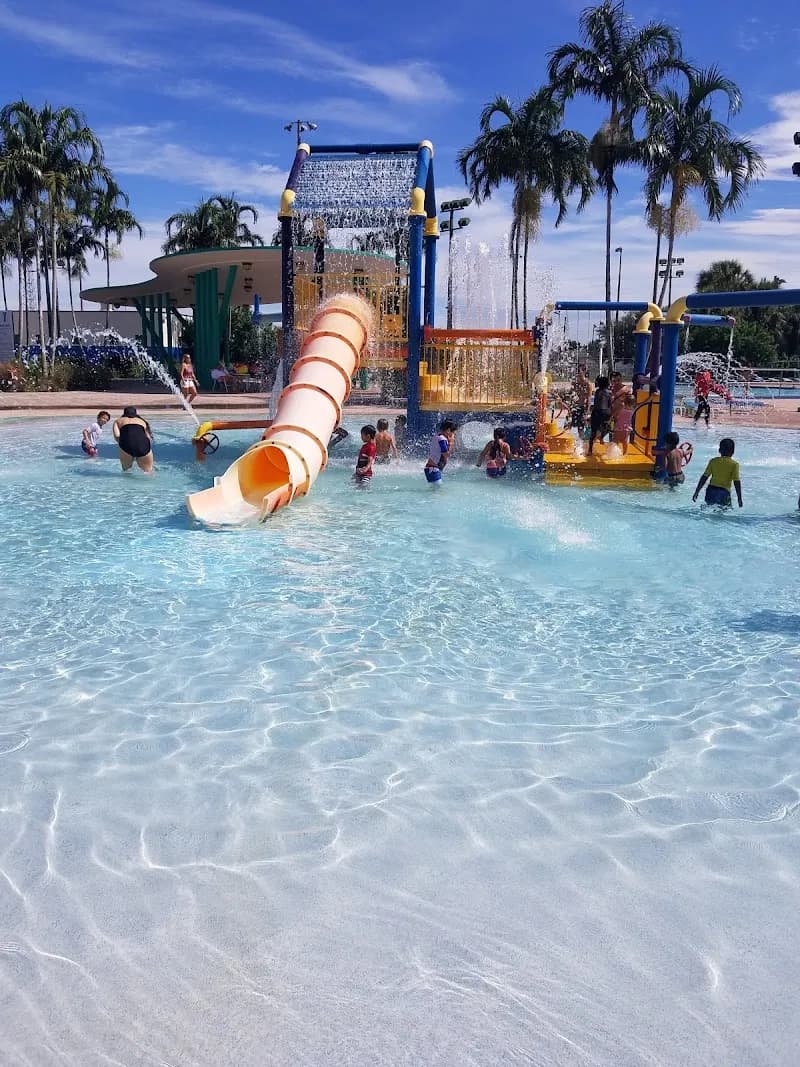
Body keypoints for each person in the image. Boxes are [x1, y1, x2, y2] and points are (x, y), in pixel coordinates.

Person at [692, 437, 743, 508]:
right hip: (724, 492)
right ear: (733, 452)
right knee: (725, 511)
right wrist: (739, 498)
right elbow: (736, 482)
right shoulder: (734, 464)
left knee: (709, 508)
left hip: (711, 490)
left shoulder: (713, 461)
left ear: (719, 450)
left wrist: (697, 491)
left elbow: (704, 477)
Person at [113, 406, 154, 473]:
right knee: (148, 472)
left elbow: (117, 437)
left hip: (126, 446)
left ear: (124, 413)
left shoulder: (118, 421)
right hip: (143, 446)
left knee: (126, 472)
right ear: (136, 414)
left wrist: (127, 445)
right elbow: (148, 438)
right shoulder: (142, 421)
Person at [588, 376, 612, 455]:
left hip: (596, 412)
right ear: (607, 384)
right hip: (605, 412)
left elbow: (595, 403)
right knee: (608, 428)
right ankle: (601, 437)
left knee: (593, 431)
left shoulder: (597, 391)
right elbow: (609, 404)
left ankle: (590, 450)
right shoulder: (609, 393)